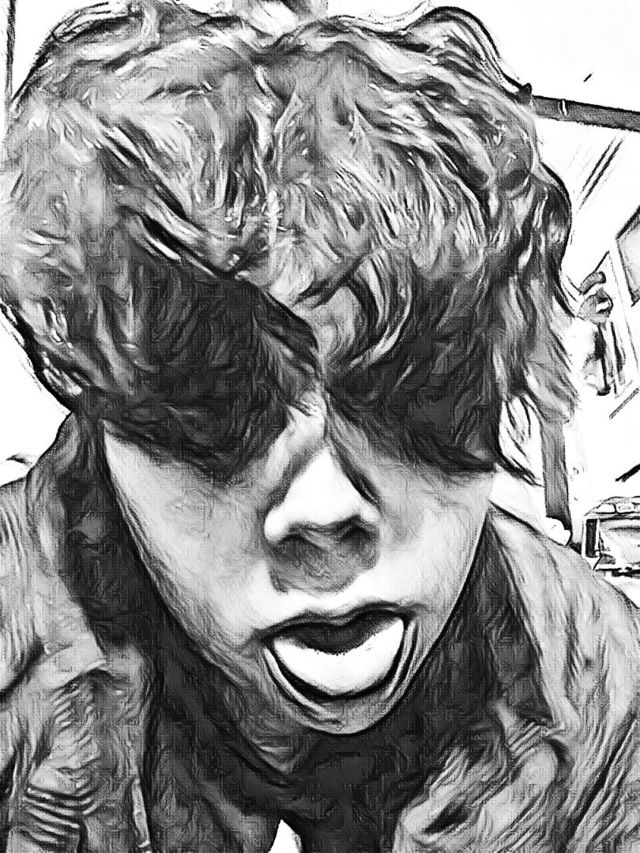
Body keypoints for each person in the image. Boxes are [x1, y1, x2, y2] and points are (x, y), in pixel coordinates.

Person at [0, 1, 638, 851]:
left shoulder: (596, 683)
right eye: (215, 409)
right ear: (104, 426)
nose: (325, 510)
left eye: (418, 394)